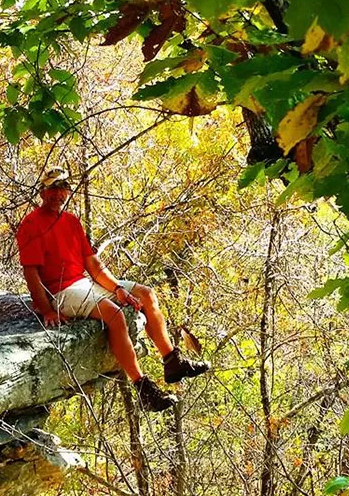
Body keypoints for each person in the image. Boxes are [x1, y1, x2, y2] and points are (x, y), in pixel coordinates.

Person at [16, 167, 209, 411]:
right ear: (43, 192)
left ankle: (172, 361)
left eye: (62, 188)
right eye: (52, 188)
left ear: (67, 192)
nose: (57, 194)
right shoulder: (31, 225)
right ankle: (143, 389)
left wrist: (117, 288)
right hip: (61, 292)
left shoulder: (71, 221)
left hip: (83, 283)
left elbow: (92, 265)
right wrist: (46, 310)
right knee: (114, 315)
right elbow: (31, 273)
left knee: (146, 293)